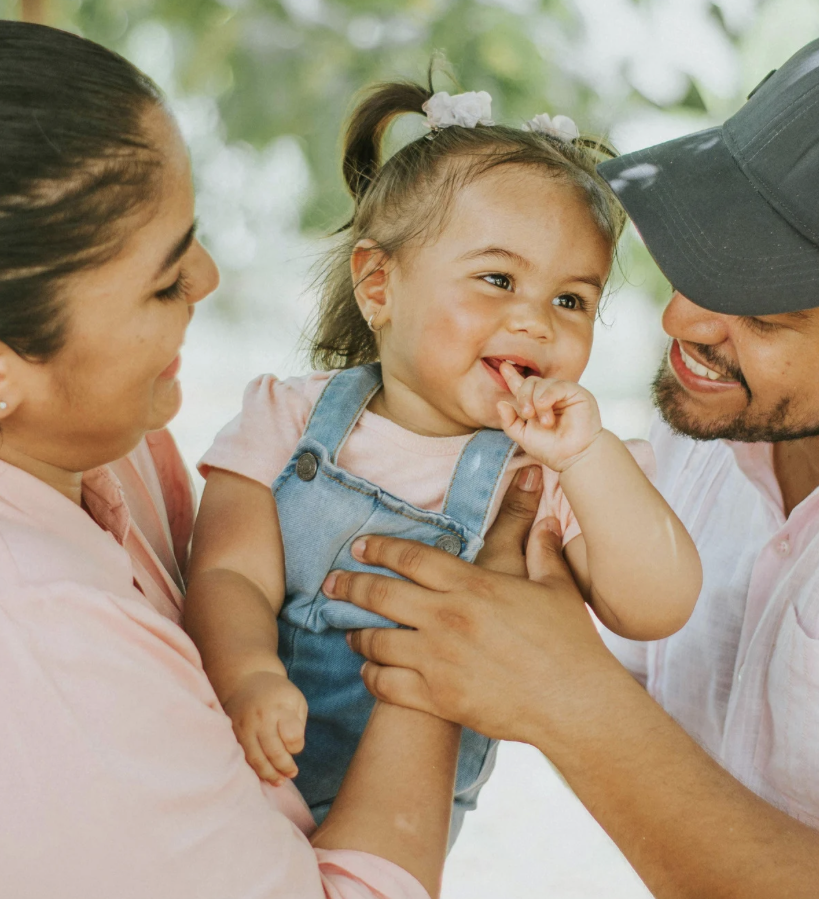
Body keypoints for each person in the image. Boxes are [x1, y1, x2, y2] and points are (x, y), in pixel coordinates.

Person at [324, 22, 819, 896]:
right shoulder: (703, 443)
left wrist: (571, 699)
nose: (681, 325)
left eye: (763, 313)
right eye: (699, 262)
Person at [0, 20, 477, 899]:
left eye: (194, 238)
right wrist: (438, 662)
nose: (209, 278)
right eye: (164, 279)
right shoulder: (37, 640)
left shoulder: (110, 440)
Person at [184, 81, 702, 837]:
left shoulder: (548, 471)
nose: (534, 319)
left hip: (404, 816)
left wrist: (588, 457)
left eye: (572, 300)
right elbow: (227, 571)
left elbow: (657, 607)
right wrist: (247, 674)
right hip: (238, 762)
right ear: (378, 283)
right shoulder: (288, 416)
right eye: (498, 279)